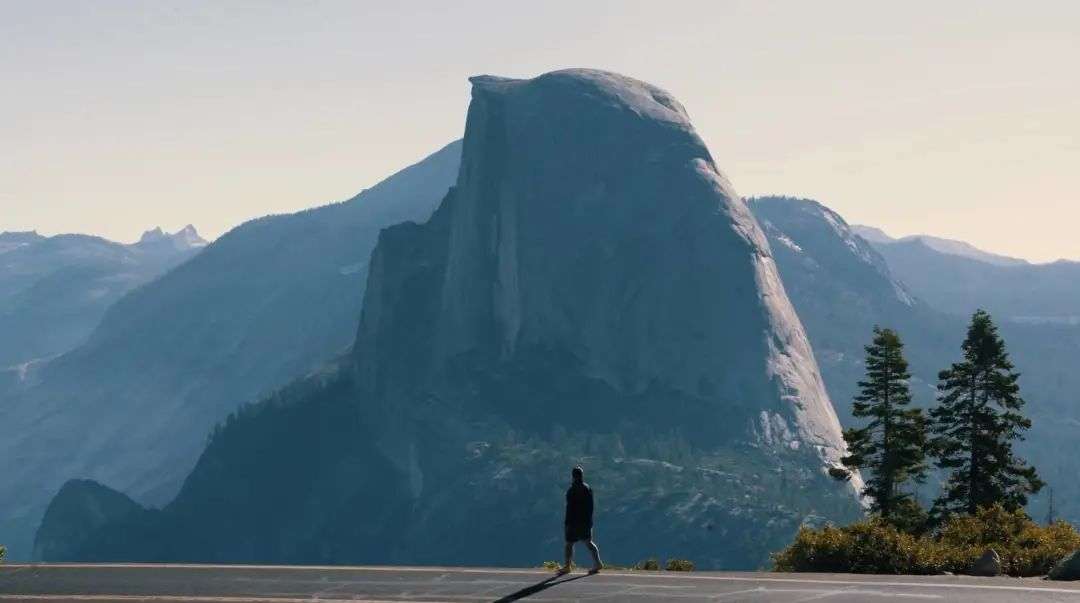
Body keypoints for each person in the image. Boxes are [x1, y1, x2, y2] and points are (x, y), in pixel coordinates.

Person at [559, 466, 603, 574]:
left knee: (569, 544)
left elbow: (569, 508)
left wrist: (567, 523)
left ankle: (567, 566)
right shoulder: (587, 488)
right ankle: (598, 563)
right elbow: (590, 507)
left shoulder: (572, 490)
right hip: (585, 522)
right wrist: (590, 521)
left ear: (573, 476)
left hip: (573, 522)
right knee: (588, 543)